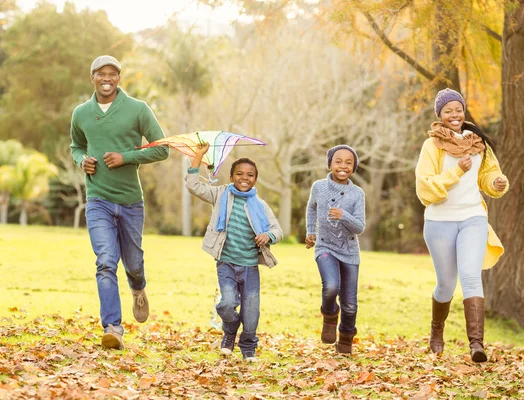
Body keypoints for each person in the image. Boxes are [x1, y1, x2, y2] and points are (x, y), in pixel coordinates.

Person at [70, 55, 170, 350]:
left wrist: (126, 157)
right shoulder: (81, 113)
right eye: (101, 73)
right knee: (105, 262)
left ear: (119, 78)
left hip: (130, 202)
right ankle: (113, 327)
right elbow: (76, 146)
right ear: (93, 77)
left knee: (134, 263)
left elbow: (162, 149)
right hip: (97, 198)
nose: (107, 78)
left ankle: (138, 287)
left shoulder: (138, 109)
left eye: (113, 73)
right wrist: (82, 161)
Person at [415, 88, 509, 362]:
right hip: (439, 221)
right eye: (448, 111)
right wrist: (458, 171)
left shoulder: (478, 142)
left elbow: (489, 175)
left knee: (470, 277)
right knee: (446, 284)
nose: (454, 115)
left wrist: (496, 182)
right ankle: (436, 330)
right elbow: (425, 187)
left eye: (458, 109)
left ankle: (476, 345)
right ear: (440, 116)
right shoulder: (431, 145)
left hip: (473, 218)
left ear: (463, 111)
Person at [185, 142, 283, 361]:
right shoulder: (220, 195)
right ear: (231, 177)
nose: (244, 178)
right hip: (226, 263)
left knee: (251, 313)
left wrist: (268, 236)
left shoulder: (260, 205)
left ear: (255, 179)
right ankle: (230, 331)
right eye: (239, 174)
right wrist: (198, 157)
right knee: (228, 304)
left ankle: (248, 347)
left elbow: (278, 230)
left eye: (249, 175)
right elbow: (192, 185)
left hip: (249, 266)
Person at [305, 145, 365, 354]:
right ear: (330, 164)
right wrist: (311, 231)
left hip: (349, 252)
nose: (343, 166)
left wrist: (344, 215)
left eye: (349, 162)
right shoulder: (318, 187)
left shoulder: (357, 193)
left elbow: (359, 227)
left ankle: (346, 338)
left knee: (350, 305)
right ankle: (330, 315)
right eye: (338, 161)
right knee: (331, 286)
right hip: (325, 246)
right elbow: (311, 207)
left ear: (354, 167)